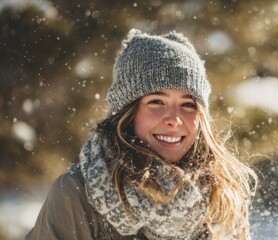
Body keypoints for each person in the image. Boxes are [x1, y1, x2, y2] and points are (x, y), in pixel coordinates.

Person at [25, 29, 258, 240]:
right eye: (157, 101)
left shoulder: (224, 196)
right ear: (128, 113)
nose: (174, 119)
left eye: (188, 104)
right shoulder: (77, 194)